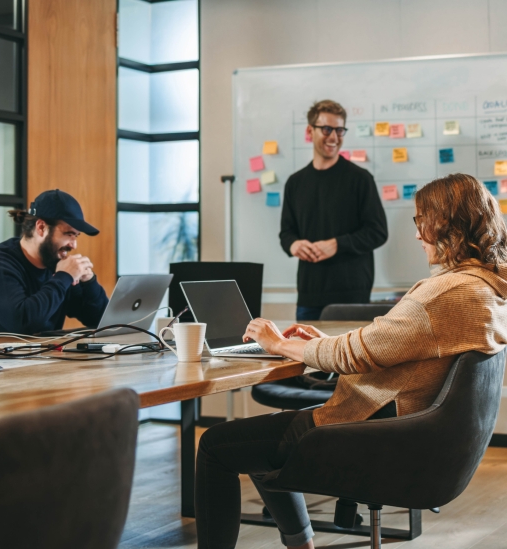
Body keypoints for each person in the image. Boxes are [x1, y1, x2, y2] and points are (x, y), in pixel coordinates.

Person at [195, 173, 507, 549]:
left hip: (373, 432)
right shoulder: (487, 287)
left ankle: (298, 542)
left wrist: (277, 344)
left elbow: (353, 354)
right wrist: (322, 343)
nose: (416, 234)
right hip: (410, 433)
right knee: (262, 436)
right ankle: (302, 543)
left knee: (215, 445)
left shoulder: (447, 293)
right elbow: (384, 345)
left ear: (446, 224)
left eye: (421, 220)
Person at [279, 100, 388, 321]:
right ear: (310, 131)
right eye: (327, 129)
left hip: (352, 296)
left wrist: (337, 244)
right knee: (305, 345)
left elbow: (378, 232)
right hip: (309, 294)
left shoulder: (361, 179)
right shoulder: (295, 183)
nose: (334, 137)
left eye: (339, 130)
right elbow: (286, 233)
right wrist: (293, 245)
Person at [0, 189, 108, 335]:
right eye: (68, 234)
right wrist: (63, 277)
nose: (73, 245)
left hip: (37, 351)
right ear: (41, 227)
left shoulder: (55, 264)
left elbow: (101, 321)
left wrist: (89, 283)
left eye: (76, 236)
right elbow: (23, 324)